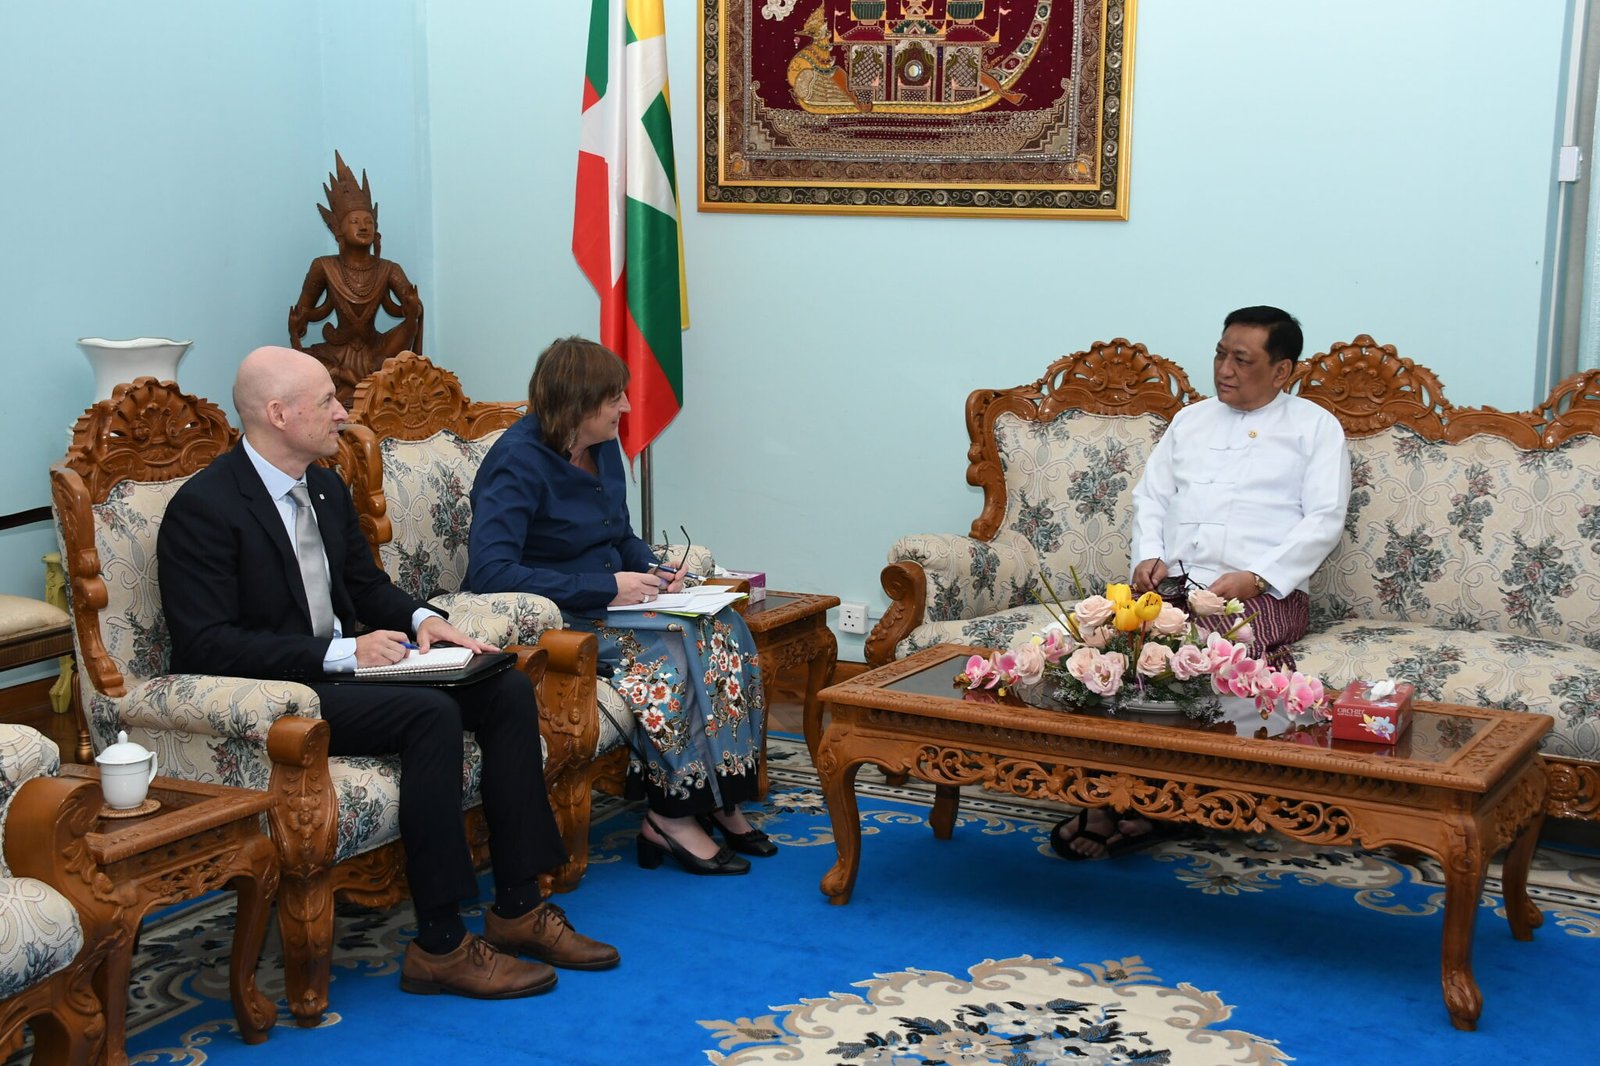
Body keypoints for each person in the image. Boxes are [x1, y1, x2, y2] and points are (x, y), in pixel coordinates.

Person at [157, 346, 618, 999]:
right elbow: (206, 646)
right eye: (326, 402)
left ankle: (517, 907)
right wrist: (343, 653)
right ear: (277, 413)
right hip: (285, 693)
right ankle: (440, 946)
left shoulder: (322, 484)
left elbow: (365, 587)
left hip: (344, 674)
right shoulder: (205, 508)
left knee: (505, 686)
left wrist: (424, 621)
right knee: (430, 716)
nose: (342, 414)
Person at [1052, 306, 1351, 860]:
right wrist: (1148, 557)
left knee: (1197, 650)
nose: (1225, 369)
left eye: (1242, 359)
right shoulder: (1190, 420)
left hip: (1266, 593)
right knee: (1106, 646)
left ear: (1282, 371)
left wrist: (1260, 577)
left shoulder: (1314, 427)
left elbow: (1324, 519)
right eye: (1220, 353)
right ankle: (1116, 793)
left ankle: (1175, 801)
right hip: (1173, 586)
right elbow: (1153, 497)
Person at [466, 337, 772, 876]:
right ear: (579, 404)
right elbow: (491, 572)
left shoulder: (602, 448)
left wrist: (654, 571)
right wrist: (605, 588)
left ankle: (721, 797)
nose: (627, 409)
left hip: (612, 600)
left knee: (726, 629)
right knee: (672, 655)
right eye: (616, 399)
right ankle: (671, 814)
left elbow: (620, 534)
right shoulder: (515, 463)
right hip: (559, 616)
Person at [288, 152, 423, 405]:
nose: (363, 226)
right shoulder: (323, 266)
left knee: (406, 335)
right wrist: (298, 323)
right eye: (355, 221)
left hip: (376, 351)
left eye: (368, 221)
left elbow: (409, 309)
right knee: (303, 363)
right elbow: (304, 314)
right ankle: (345, 376)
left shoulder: (388, 268)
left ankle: (356, 379)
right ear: (339, 229)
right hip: (336, 353)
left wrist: (411, 309)